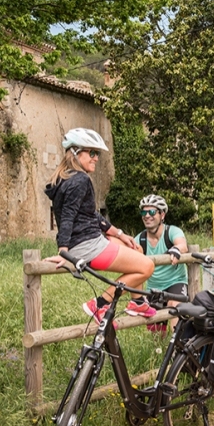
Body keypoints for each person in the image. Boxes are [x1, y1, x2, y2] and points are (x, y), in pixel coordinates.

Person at [43, 127, 156, 322]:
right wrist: (64, 252)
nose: (96, 158)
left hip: (88, 241)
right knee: (147, 266)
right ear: (76, 153)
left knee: (135, 249)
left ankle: (137, 303)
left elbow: (91, 215)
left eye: (97, 154)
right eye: (92, 153)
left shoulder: (66, 178)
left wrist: (119, 234)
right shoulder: (80, 180)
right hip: (88, 246)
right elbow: (67, 217)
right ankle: (101, 303)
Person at [134, 194, 189, 333]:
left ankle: (178, 349)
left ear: (162, 215)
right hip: (154, 287)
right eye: (143, 212)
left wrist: (176, 249)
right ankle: (160, 354)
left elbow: (182, 245)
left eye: (152, 212)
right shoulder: (140, 239)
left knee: (174, 306)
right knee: (156, 331)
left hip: (175, 282)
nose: (147, 216)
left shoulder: (171, 231)